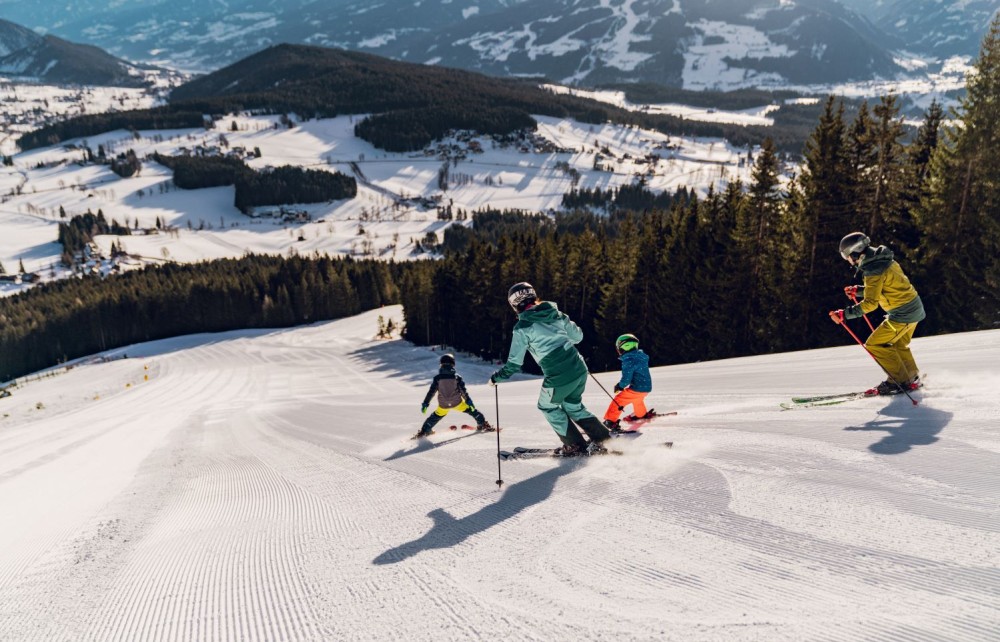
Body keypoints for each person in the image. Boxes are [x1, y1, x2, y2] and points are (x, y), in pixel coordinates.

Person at [490, 282, 611, 455]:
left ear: (514, 304)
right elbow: (578, 336)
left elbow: (515, 363)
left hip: (559, 373)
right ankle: (604, 440)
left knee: (547, 406)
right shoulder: (556, 314)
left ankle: (575, 445)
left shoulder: (522, 327)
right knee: (573, 406)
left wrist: (497, 378)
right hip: (579, 367)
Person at [828, 232, 925, 395]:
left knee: (874, 344)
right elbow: (884, 287)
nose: (849, 261)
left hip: (903, 314)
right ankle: (911, 377)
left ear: (855, 252)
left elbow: (871, 304)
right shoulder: (884, 259)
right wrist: (860, 291)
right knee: (899, 344)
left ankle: (899, 381)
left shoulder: (873, 269)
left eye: (847, 256)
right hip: (913, 308)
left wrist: (845, 314)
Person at [415, 353, 492, 438]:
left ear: (441, 365)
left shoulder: (437, 378)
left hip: (443, 405)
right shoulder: (457, 378)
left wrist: (426, 403)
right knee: (473, 411)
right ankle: (482, 424)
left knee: (435, 416)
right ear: (453, 364)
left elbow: (431, 392)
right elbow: (463, 391)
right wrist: (469, 402)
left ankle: (425, 431)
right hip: (458, 403)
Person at [602, 333, 653, 432]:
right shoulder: (641, 357)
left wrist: (620, 386)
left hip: (636, 388)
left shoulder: (629, 360)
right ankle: (641, 415)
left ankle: (610, 422)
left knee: (618, 400)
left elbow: (626, 378)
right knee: (637, 400)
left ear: (623, 347)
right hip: (646, 388)